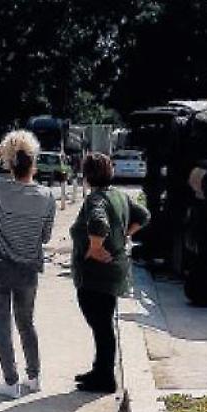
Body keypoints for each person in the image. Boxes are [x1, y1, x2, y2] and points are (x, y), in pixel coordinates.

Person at [0, 131, 57, 399]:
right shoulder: (46, 196)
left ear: (10, 165)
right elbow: (46, 236)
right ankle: (34, 377)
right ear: (34, 165)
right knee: (26, 324)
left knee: (1, 326)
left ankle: (10, 382)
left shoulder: (1, 187)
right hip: (28, 270)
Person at [71, 152, 149, 393]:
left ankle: (105, 377)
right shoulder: (120, 196)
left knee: (101, 325)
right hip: (114, 269)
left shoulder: (96, 199)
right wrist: (126, 233)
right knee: (103, 325)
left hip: (96, 274)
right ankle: (100, 370)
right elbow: (144, 215)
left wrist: (95, 247)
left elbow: (98, 222)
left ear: (87, 176)